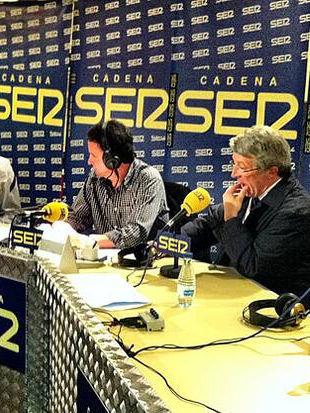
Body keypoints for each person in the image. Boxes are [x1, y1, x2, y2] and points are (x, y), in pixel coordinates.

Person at [182, 125, 310, 303]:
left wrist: (231, 218)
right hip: (233, 296)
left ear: (271, 172)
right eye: (234, 164)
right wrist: (167, 243)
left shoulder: (296, 212)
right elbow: (206, 225)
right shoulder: (251, 192)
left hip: (270, 309)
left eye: (242, 168)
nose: (233, 173)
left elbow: (253, 267)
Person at [67, 119, 168, 249]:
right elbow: (77, 218)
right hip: (105, 258)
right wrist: (62, 228)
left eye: (93, 156)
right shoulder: (94, 179)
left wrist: (89, 241)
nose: (89, 161)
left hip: (143, 259)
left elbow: (135, 234)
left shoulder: (148, 179)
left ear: (111, 160)